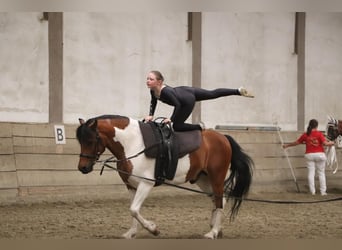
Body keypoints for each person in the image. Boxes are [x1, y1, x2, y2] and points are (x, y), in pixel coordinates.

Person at [144, 70, 254, 132]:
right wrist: (150, 115)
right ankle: (238, 91)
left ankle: (199, 127)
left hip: (186, 101)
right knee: (212, 93)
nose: (148, 81)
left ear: (159, 82)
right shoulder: (153, 91)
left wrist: (171, 119)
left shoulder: (165, 91)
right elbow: (153, 102)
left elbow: (177, 105)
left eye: (151, 79)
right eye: (147, 79)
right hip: (186, 91)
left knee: (177, 126)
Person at [282, 119, 335, 196]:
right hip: (320, 154)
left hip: (309, 155)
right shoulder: (319, 134)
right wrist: (332, 143)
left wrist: (287, 145)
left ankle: (312, 192)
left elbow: (296, 142)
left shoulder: (305, 134)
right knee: (321, 173)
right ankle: (323, 192)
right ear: (317, 126)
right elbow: (325, 143)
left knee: (311, 173)